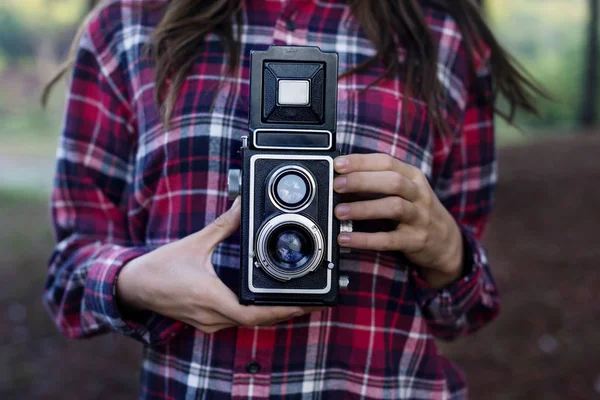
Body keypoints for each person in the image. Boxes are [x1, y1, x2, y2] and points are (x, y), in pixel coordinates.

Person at [43, 0, 543, 398]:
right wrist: (137, 282)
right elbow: (69, 272)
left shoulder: (445, 34)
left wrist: (446, 249)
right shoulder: (127, 25)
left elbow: (467, 310)